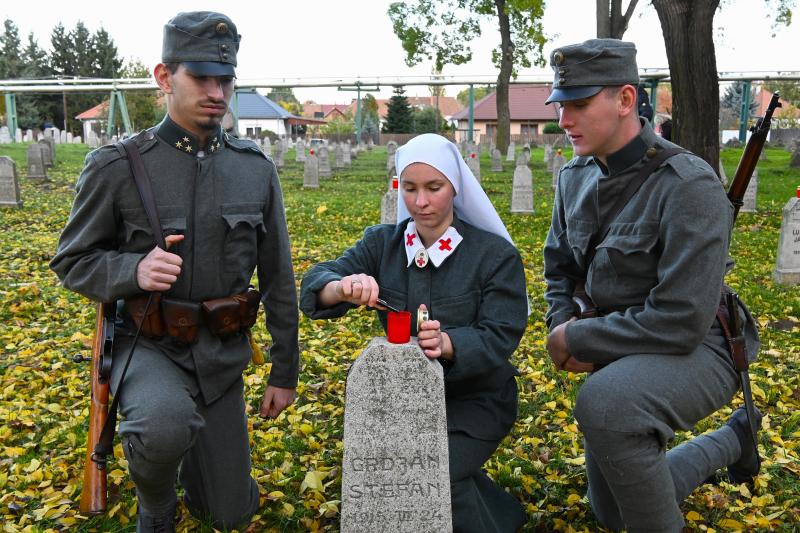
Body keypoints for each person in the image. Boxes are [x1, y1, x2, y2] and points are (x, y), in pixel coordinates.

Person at [50, 12, 299, 532]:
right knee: (162, 427)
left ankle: (199, 463)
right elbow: (72, 259)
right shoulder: (117, 165)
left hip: (221, 353)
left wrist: (284, 370)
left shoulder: (254, 169)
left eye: (225, 79)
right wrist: (133, 270)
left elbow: (278, 275)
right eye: (201, 77)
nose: (217, 91)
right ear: (164, 78)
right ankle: (157, 498)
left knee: (230, 513)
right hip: (149, 344)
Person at [542, 39, 761, 533]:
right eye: (562, 106)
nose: (564, 121)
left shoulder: (688, 185)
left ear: (624, 100)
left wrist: (579, 340)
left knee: (605, 402)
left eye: (578, 105)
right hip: (621, 343)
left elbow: (682, 320)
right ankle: (734, 442)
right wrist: (563, 322)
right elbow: (559, 268)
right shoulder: (573, 178)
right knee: (613, 513)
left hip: (703, 345)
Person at [300, 133, 528, 532]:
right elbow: (318, 280)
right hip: (399, 402)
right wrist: (342, 287)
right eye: (409, 188)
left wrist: (450, 343)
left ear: (454, 187)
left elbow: (501, 333)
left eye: (433, 188)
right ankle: (500, 511)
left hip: (475, 401)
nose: (420, 202)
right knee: (393, 472)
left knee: (434, 474)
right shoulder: (382, 244)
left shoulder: (494, 256)